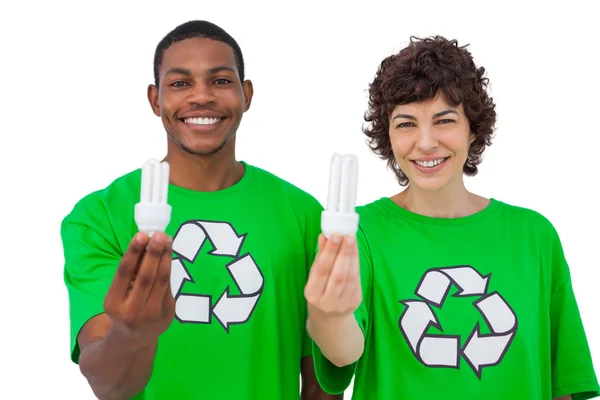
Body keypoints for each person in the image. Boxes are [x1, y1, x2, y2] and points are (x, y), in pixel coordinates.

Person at [304, 36, 599, 400]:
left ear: (472, 129)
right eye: (406, 124)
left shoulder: (534, 236)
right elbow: (344, 354)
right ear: (388, 136)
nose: (425, 142)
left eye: (444, 120)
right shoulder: (361, 233)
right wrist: (328, 316)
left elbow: (562, 385)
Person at [61, 20, 340, 400]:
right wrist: (129, 335)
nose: (202, 97)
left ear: (247, 94)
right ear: (155, 99)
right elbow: (110, 386)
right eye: (180, 83)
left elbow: (321, 379)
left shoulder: (304, 215)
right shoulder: (99, 217)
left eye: (221, 81)